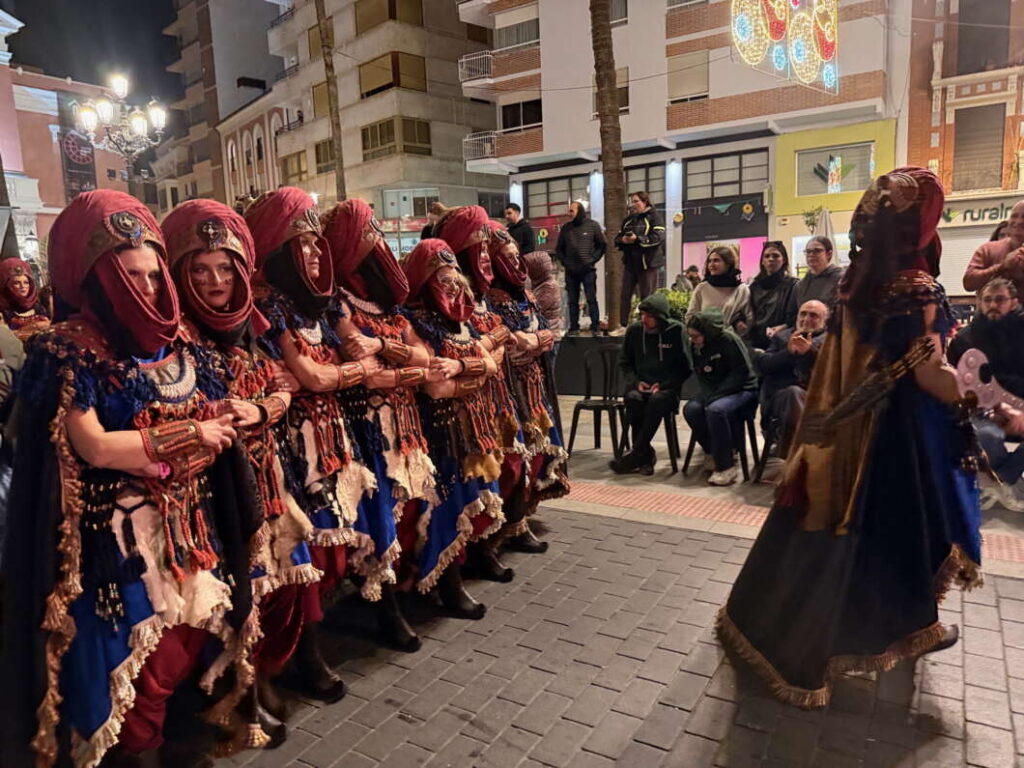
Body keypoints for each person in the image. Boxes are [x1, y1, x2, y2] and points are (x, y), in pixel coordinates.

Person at [0, 190, 256, 768]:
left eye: (151, 273)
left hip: (190, 529)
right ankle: (135, 752)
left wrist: (225, 419)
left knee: (183, 646)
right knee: (119, 658)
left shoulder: (185, 340)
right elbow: (92, 444)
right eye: (129, 276)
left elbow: (217, 404)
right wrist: (188, 436)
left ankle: (156, 739)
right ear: (96, 280)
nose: (145, 287)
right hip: (111, 543)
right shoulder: (64, 350)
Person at [718, 167, 981, 708]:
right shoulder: (916, 287)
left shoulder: (855, 282)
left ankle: (769, 626)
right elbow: (930, 372)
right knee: (896, 535)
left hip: (841, 434)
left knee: (830, 537)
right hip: (896, 437)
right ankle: (881, 635)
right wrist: (974, 398)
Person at [162, 198, 317, 745]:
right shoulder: (172, 340)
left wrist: (261, 409)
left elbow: (284, 384)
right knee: (234, 600)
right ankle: (229, 697)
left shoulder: (248, 330)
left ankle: (260, 682)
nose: (215, 281)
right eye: (200, 271)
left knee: (282, 588)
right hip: (213, 502)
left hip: (270, 483)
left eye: (225, 268)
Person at [246, 187, 378, 695]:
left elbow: (337, 362)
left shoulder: (325, 300)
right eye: (297, 244)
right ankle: (301, 657)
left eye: (315, 243)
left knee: (335, 548)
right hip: (289, 446)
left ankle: (317, 645)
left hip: (334, 437)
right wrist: (355, 370)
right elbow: (312, 376)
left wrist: (351, 365)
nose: (310, 254)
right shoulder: (265, 304)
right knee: (301, 557)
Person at [401, 238, 507, 609]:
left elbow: (490, 365)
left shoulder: (461, 323)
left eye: (455, 277)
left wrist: (463, 368)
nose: (454, 286)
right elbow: (436, 388)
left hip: (472, 428)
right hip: (439, 430)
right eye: (443, 280)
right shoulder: (414, 322)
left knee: (472, 498)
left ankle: (464, 568)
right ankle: (446, 583)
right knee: (444, 508)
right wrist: (473, 375)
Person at [433, 205, 524, 577]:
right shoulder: (441, 300)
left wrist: (482, 352)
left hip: (495, 398)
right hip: (461, 410)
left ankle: (494, 540)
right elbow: (463, 352)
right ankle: (472, 555)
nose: (486, 259)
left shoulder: (486, 295)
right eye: (480, 250)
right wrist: (483, 356)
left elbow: (503, 336)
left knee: (508, 469)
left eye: (490, 251)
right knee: (470, 484)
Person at [948, 277, 1024, 510]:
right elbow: (960, 384)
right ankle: (1006, 483)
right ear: (979, 302)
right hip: (984, 408)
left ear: (1013, 302)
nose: (992, 305)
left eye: (999, 299)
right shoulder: (964, 339)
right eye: (987, 300)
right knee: (984, 435)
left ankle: (1003, 481)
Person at [611, 292, 691, 475]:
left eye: (649, 316)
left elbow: (686, 368)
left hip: (666, 389)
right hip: (641, 386)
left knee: (657, 401)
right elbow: (625, 362)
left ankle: (637, 453)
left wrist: (663, 385)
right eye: (642, 315)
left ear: (660, 317)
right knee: (633, 399)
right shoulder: (635, 331)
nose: (644, 319)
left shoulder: (676, 331)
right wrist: (636, 382)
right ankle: (645, 455)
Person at [682, 308, 758, 486]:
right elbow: (702, 375)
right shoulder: (696, 346)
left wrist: (716, 396)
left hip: (743, 389)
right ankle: (712, 452)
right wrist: (710, 395)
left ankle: (726, 467)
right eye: (691, 336)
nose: (693, 340)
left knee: (716, 410)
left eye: (696, 336)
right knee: (691, 409)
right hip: (714, 390)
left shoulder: (729, 340)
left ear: (708, 333)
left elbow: (741, 373)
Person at [753, 299, 828, 456]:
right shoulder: (782, 337)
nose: (806, 319)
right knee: (793, 393)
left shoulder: (830, 341)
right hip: (783, 398)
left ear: (825, 320)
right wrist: (789, 353)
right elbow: (764, 365)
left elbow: (832, 371)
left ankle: (795, 451)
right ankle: (803, 452)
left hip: (820, 398)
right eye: (803, 314)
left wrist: (809, 353)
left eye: (814, 315)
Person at [615, 191, 665, 330]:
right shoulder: (629, 220)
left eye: (636, 201)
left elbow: (658, 237)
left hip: (648, 264)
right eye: (632, 202)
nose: (634, 204)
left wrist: (638, 239)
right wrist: (623, 240)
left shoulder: (655, 217)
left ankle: (648, 326)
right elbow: (617, 239)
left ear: (645, 202)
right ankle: (623, 326)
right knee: (625, 295)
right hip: (630, 264)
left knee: (647, 298)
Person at [555, 199, 606, 336]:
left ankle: (595, 327)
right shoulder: (566, 228)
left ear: (580, 211)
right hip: (571, 271)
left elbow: (602, 245)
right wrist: (565, 262)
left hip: (588, 270)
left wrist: (592, 260)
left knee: (591, 299)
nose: (569, 213)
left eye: (572, 210)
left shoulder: (593, 226)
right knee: (572, 301)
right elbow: (559, 249)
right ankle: (573, 328)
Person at [685, 245, 752, 336]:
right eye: (710, 261)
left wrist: (739, 326)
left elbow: (749, 318)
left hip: (732, 342)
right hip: (706, 342)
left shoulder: (741, 290)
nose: (712, 264)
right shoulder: (702, 288)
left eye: (716, 260)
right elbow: (690, 316)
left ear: (728, 263)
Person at [964, 200, 1024, 296]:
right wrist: (1002, 266)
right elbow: (968, 283)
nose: (1018, 221)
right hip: (989, 311)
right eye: (1014, 216)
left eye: (1023, 217)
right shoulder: (987, 249)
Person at [749, 241, 799, 349]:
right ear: (762, 261)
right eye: (767, 256)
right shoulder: (754, 286)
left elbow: (795, 315)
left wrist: (784, 326)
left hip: (780, 340)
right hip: (755, 338)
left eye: (776, 256)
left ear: (784, 260)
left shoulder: (793, 285)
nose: (771, 259)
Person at [785, 235, 843, 325]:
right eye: (808, 251)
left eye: (817, 251)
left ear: (829, 254)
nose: (811, 255)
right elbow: (792, 315)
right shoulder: (799, 286)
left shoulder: (841, 280)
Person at [0, 256, 50, 341]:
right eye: (16, 283)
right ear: (6, 286)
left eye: (26, 282)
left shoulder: (39, 308)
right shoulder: (3, 311)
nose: (23, 286)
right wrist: (34, 327)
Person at [523, 248, 564, 346]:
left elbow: (535, 307)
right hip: (542, 335)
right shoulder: (539, 283)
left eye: (529, 269)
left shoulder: (549, 287)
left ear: (536, 269)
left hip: (548, 337)